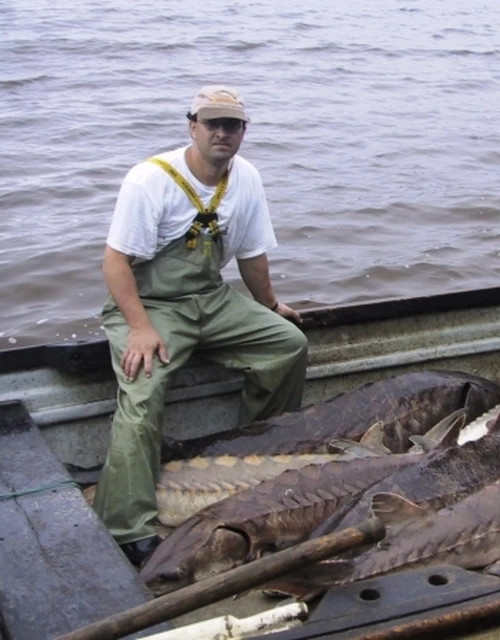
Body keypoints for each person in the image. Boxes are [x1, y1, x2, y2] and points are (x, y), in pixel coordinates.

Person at [93, 85, 309, 565]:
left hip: (210, 299)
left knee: (286, 345)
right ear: (192, 125)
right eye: (212, 123)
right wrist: (140, 328)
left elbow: (252, 254)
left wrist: (271, 305)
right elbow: (114, 263)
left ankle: (255, 461)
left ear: (243, 132)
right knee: (143, 390)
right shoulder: (149, 179)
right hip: (149, 305)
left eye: (232, 125)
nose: (222, 133)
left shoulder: (246, 177)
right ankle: (127, 524)